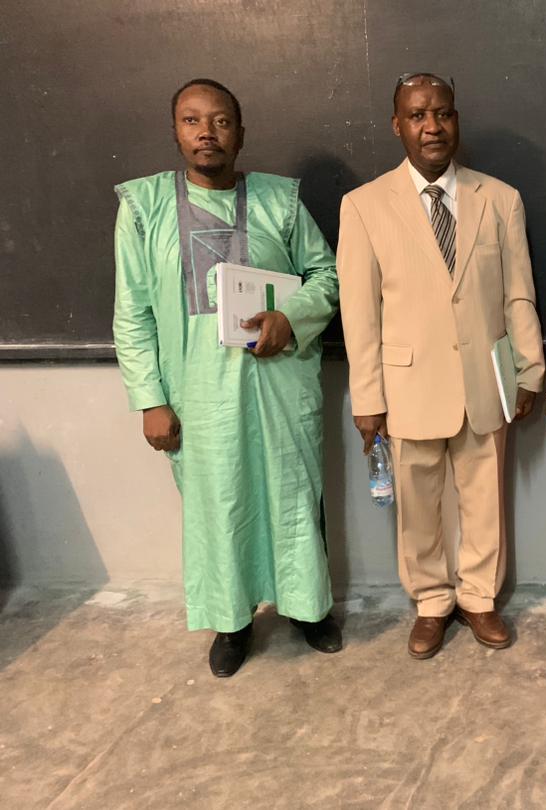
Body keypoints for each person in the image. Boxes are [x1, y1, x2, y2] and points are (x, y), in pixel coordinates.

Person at [113, 79, 342, 677]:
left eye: (220, 121)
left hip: (279, 387)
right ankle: (231, 622)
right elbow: (132, 312)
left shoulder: (280, 201)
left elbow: (327, 275)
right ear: (175, 132)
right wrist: (149, 400)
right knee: (220, 506)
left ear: (241, 133)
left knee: (293, 499)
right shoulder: (143, 208)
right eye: (191, 121)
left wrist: (291, 318)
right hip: (198, 395)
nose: (206, 133)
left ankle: (308, 609)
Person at [336, 74, 545, 659]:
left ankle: (479, 597)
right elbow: (360, 314)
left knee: (485, 499)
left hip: (485, 381)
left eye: (444, 114)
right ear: (397, 125)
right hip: (407, 386)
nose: (432, 127)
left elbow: (518, 294)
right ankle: (431, 601)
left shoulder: (499, 198)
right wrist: (367, 399)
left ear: (457, 120)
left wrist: (529, 369)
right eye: (418, 115)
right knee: (418, 506)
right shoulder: (364, 205)